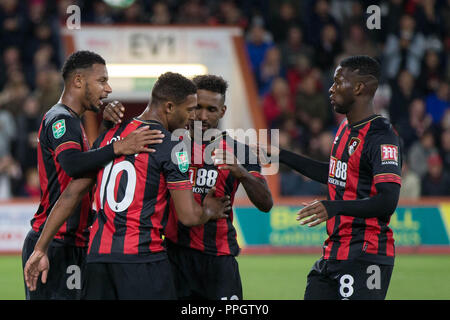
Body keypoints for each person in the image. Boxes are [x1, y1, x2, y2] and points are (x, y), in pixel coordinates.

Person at [24, 72, 231, 300]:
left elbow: (71, 194)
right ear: (170, 107)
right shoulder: (173, 147)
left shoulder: (110, 138)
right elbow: (189, 217)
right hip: (143, 259)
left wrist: (40, 248)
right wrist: (209, 210)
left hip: (97, 261)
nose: (193, 117)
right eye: (190, 109)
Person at [21, 50, 163, 300]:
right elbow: (74, 165)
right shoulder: (60, 119)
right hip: (54, 243)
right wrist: (118, 146)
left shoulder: (76, 123)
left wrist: (107, 129)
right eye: (101, 80)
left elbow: (88, 165)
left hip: (75, 242)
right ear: (78, 81)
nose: (108, 89)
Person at [260, 56, 402, 300]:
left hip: (366, 255)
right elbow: (335, 175)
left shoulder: (381, 135)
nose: (331, 88)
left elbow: (388, 200)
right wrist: (282, 156)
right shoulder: (345, 128)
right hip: (335, 252)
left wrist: (334, 207)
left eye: (338, 82)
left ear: (358, 88)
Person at [164, 74, 273, 300]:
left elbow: (266, 203)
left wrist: (241, 172)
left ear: (222, 111)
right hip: (175, 257)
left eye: (211, 109)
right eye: (197, 107)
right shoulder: (169, 147)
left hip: (218, 260)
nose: (202, 116)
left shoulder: (240, 151)